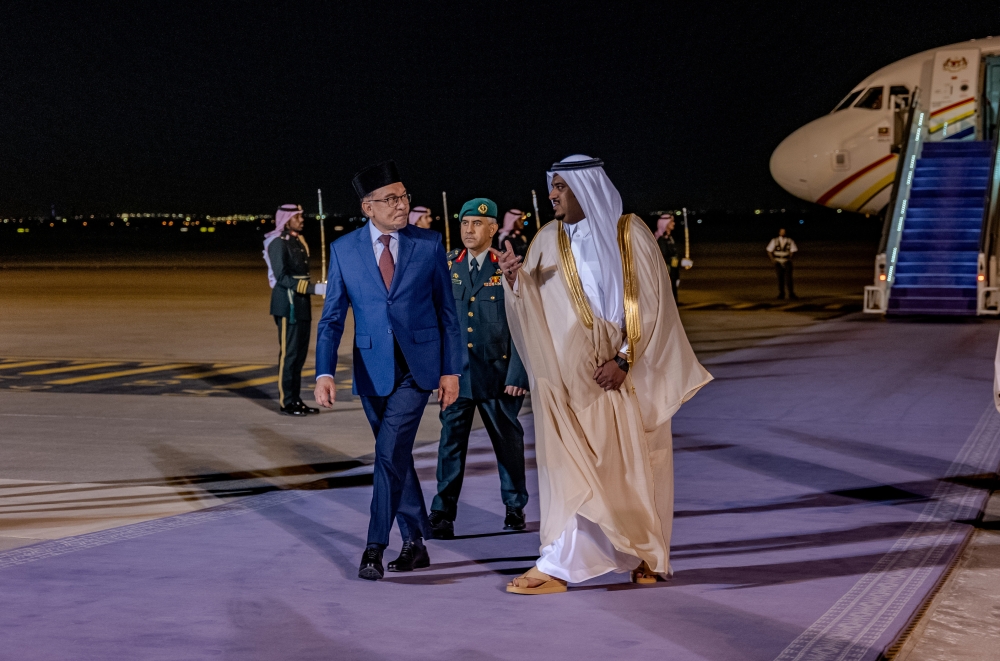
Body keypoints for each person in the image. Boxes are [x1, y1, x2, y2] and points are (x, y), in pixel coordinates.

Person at [494, 155, 711, 595]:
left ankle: (647, 554)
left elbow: (652, 303)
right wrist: (516, 284)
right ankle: (557, 564)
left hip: (625, 377)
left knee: (638, 467)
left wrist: (625, 359)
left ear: (585, 187)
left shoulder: (630, 234)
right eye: (551, 186)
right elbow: (534, 311)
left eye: (561, 186)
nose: (552, 194)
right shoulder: (545, 240)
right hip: (571, 383)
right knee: (572, 468)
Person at [313, 161, 462, 582]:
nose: (402, 206)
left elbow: (447, 313)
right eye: (392, 199)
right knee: (395, 456)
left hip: (419, 369)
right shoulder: (344, 250)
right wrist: (324, 371)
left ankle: (374, 546)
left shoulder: (428, 244)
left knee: (385, 453)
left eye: (404, 197)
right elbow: (331, 319)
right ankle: (416, 542)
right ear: (368, 207)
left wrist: (451, 371)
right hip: (371, 369)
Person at [429, 197, 530, 540]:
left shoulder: (508, 267)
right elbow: (438, 324)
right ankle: (442, 512)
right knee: (450, 445)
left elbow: (522, 322)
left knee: (508, 443)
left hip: (498, 376)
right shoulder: (448, 265)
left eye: (477, 224)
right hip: (458, 376)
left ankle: (515, 507)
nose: (469, 230)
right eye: (465, 224)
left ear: (492, 229)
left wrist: (519, 373)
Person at [263, 204, 325, 416]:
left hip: (301, 304)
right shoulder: (278, 244)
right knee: (289, 355)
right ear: (286, 219)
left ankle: (296, 399)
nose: (301, 219)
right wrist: (313, 288)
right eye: (297, 216)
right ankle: (287, 401)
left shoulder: (297, 241)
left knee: (299, 356)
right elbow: (282, 277)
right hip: (287, 304)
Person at [654, 213, 680, 300]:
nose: (673, 223)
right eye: (671, 221)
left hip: (673, 272)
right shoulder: (661, 240)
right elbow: (663, 258)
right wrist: (677, 261)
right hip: (667, 273)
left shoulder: (670, 238)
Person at [766, 228, 798, 300]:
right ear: (779, 232)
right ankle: (781, 293)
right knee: (780, 278)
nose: (783, 233)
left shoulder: (790, 241)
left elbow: (793, 250)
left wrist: (789, 258)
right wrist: (773, 259)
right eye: (781, 232)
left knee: (789, 278)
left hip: (786, 261)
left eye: (784, 232)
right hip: (778, 261)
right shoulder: (774, 240)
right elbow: (769, 250)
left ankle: (791, 293)